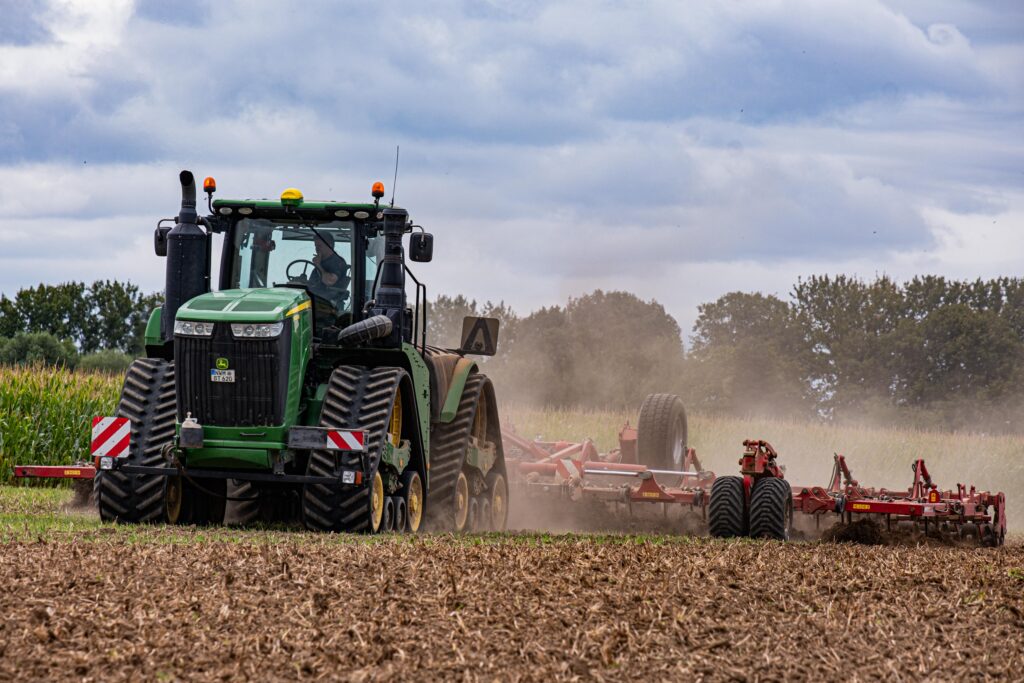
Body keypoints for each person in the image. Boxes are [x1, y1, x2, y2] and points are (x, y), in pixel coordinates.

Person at [309, 232, 350, 309]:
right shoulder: (322, 261)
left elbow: (329, 281)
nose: (317, 249)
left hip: (327, 305)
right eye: (316, 246)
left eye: (320, 246)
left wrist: (318, 265)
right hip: (314, 301)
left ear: (329, 245)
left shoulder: (337, 261)